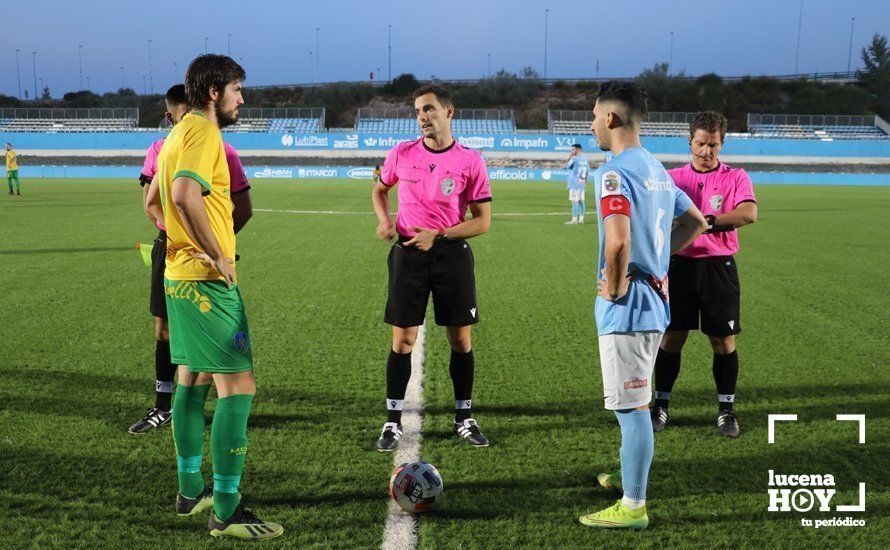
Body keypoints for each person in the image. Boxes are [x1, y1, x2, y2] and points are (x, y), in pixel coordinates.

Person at [146, 54, 281, 540]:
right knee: (238, 388)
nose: (242, 100)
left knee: (192, 376)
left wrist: (182, 244)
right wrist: (217, 253)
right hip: (205, 281)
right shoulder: (203, 132)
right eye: (238, 90)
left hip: (177, 275)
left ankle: (189, 490)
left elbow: (154, 202)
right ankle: (225, 508)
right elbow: (183, 195)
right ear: (213, 92)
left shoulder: (176, 134)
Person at [578, 81, 708, 530]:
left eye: (595, 116)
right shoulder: (657, 168)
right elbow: (696, 221)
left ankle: (633, 506)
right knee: (635, 400)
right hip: (655, 303)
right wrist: (659, 260)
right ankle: (628, 473)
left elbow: (617, 241)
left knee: (631, 410)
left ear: (611, 118)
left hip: (628, 310)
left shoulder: (613, 173)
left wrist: (614, 289)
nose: (592, 124)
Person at [371, 84, 492, 451]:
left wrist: (438, 235)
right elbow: (379, 190)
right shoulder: (402, 153)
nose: (422, 117)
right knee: (403, 340)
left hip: (451, 256)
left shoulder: (470, 160)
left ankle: (464, 416)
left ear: (448, 111)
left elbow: (482, 221)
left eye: (429, 109)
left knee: (460, 339)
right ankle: (392, 422)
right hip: (408, 254)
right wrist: (384, 220)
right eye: (418, 111)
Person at [129, 84, 253, 434]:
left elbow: (243, 209)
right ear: (171, 115)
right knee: (166, 333)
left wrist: (214, 245)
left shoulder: (221, 148)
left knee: (212, 370)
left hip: (200, 261)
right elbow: (152, 202)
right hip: (174, 253)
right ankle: (163, 407)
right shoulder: (162, 148)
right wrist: (186, 237)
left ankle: (193, 474)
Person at [651, 111, 757, 438]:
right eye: (700, 143)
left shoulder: (736, 177)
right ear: (690, 142)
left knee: (723, 341)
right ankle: (661, 405)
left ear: (722, 144)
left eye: (713, 145)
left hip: (718, 267)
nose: (706, 151)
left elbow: (748, 213)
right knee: (672, 338)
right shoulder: (672, 177)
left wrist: (704, 222)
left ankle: (726, 411)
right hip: (679, 265)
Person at [564, 144, 589, 224]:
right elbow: (587, 172)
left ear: (577, 150)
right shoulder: (585, 159)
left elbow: (566, 166)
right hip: (582, 183)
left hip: (574, 183)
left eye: (573, 149)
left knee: (574, 202)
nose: (572, 151)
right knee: (582, 201)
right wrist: (585, 182)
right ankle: (581, 219)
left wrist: (569, 157)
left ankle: (574, 220)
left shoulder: (574, 158)